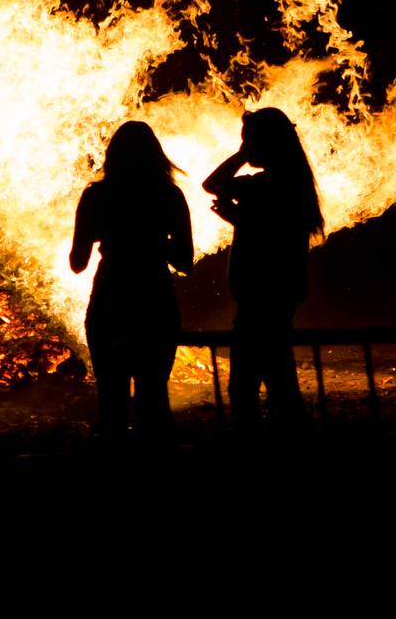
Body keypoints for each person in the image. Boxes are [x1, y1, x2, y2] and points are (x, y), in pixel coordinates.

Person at [70, 121, 194, 440]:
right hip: (155, 300)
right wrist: (154, 242)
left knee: (111, 401)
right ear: (156, 155)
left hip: (110, 300)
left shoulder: (96, 196)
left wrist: (106, 235)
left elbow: (77, 263)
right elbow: (184, 261)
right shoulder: (170, 195)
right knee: (154, 398)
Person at [202, 107, 323, 425]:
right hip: (277, 298)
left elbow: (212, 184)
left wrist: (241, 156)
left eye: (248, 140)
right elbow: (271, 232)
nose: (244, 145)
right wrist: (240, 219)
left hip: (261, 300)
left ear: (263, 143)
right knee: (279, 382)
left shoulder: (267, 185)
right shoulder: (292, 184)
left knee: (244, 388)